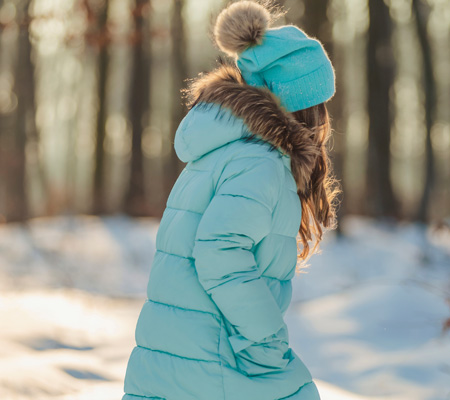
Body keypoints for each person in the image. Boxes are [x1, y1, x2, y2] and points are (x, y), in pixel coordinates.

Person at [121, 1, 339, 399]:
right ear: (301, 107)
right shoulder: (262, 165)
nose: (325, 119)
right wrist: (265, 340)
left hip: (176, 358)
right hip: (214, 359)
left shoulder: (225, 151)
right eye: (320, 105)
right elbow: (220, 249)